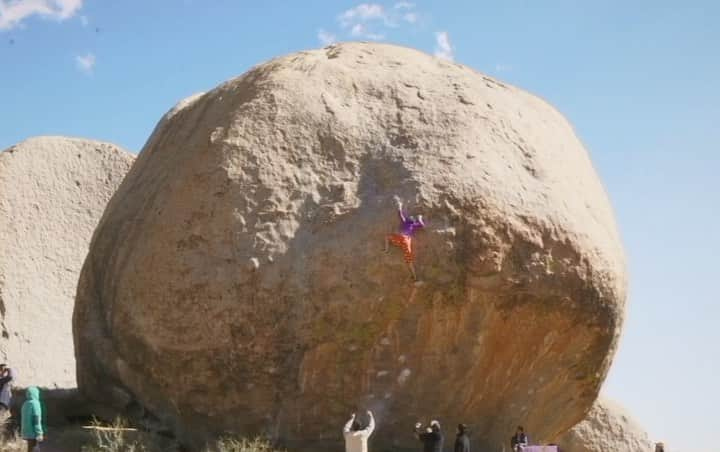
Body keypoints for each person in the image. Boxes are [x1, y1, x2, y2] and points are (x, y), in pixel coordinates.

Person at [384, 200, 425, 281]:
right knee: (409, 260)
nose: (412, 217)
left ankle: (415, 276)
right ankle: (386, 249)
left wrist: (419, 218)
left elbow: (421, 225)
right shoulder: (407, 222)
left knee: (409, 260)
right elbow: (400, 214)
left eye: (413, 217)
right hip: (403, 240)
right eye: (411, 216)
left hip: (403, 240)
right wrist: (400, 206)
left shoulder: (412, 224)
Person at [21, 387, 43, 452]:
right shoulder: (35, 403)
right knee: (35, 449)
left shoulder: (25, 404)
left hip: (25, 432)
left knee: (30, 449)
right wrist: (39, 433)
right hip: (33, 433)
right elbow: (36, 419)